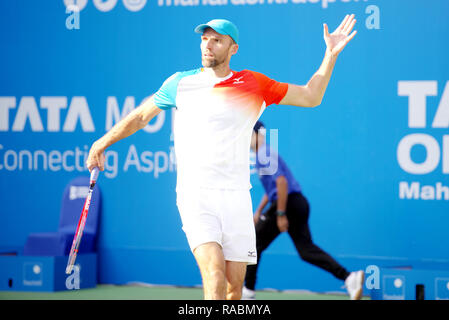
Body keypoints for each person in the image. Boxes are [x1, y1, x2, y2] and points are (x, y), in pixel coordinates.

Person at [85, 16, 358, 300]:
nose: (208, 44)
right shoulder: (179, 83)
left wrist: (330, 55)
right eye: (204, 38)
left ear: (233, 48)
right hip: (196, 195)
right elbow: (141, 116)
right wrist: (102, 143)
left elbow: (311, 96)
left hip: (237, 198)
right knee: (214, 276)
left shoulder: (254, 83)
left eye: (217, 39)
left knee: (233, 291)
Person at [242, 121, 364, 300]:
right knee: (306, 250)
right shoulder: (264, 154)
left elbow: (281, 183)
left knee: (254, 243)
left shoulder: (263, 154)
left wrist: (281, 214)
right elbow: (272, 189)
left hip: (288, 204)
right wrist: (259, 210)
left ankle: (248, 291)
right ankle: (349, 277)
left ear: (256, 135)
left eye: (247, 134)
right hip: (297, 203)